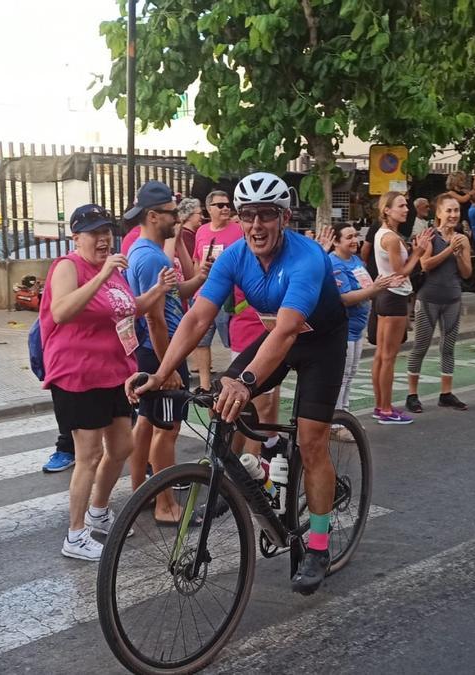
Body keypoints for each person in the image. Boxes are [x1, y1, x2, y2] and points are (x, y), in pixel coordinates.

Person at [129, 171, 348, 595]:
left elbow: (286, 331)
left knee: (311, 440)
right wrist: (162, 371)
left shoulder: (305, 258)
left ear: (284, 218)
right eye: (248, 215)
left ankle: (318, 546)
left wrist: (245, 381)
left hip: (318, 342)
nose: (256, 226)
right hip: (278, 337)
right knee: (224, 402)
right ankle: (262, 471)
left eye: (266, 215)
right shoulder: (234, 256)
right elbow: (197, 317)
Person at [40, 203, 172, 561]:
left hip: (114, 372)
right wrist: (99, 276)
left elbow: (129, 309)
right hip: (77, 373)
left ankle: (99, 510)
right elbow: (62, 310)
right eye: (94, 233)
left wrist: (158, 290)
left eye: (106, 232)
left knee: (121, 448)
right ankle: (75, 534)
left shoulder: (115, 271)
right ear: (76, 237)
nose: (103, 239)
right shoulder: (68, 266)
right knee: (89, 455)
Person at [124, 182, 206, 525]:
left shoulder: (151, 253)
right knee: (167, 429)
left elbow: (173, 297)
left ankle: (139, 491)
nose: (179, 217)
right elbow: (156, 319)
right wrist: (167, 367)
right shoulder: (150, 257)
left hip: (156, 352)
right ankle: (165, 505)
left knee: (146, 422)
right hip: (161, 352)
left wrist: (201, 276)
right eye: (173, 213)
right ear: (153, 216)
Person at [405, 193, 474, 412]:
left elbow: (466, 273)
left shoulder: (462, 239)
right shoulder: (430, 235)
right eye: (449, 211)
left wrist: (461, 252)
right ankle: (412, 394)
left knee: (448, 347)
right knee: (421, 346)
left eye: (456, 211)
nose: (453, 215)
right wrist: (449, 249)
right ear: (439, 213)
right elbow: (426, 264)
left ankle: (446, 393)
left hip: (453, 298)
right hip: (429, 299)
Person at [330, 223, 396, 430]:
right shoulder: (335, 264)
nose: (354, 241)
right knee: (341, 376)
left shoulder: (356, 260)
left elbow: (367, 288)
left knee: (351, 374)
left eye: (355, 236)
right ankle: (336, 424)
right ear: (335, 241)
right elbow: (346, 298)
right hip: (344, 329)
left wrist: (382, 285)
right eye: (348, 237)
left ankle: (346, 417)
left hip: (358, 329)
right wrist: (375, 289)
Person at [370, 191, 422, 423]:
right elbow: (401, 270)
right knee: (388, 357)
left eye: (406, 205)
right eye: (401, 205)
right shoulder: (390, 238)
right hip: (393, 296)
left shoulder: (385, 234)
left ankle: (381, 406)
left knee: (381, 355)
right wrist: (418, 253)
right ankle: (386, 409)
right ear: (387, 210)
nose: (406, 209)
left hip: (385, 294)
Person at [190, 190, 239, 389]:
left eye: (228, 204)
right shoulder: (201, 231)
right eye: (220, 205)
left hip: (230, 294)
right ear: (209, 209)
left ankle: (233, 381)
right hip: (204, 293)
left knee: (232, 341)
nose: (226, 208)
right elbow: (196, 261)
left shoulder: (238, 230)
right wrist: (197, 281)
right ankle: (205, 385)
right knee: (201, 339)